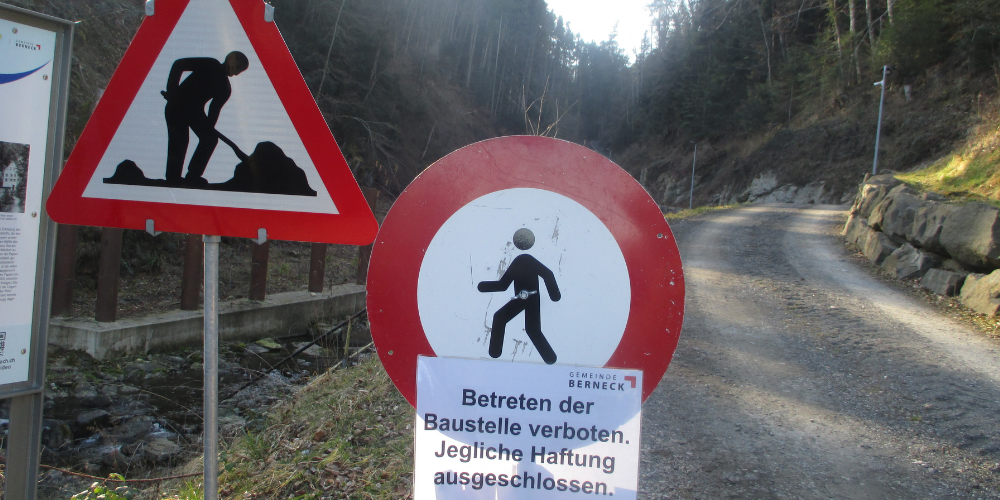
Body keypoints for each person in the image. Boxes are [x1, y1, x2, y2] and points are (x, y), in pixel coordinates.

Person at [161, 51, 249, 185]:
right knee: (180, 140)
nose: (236, 73)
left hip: (195, 112)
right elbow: (179, 65)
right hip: (177, 105)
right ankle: (173, 178)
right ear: (231, 60)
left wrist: (208, 128)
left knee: (210, 139)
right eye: (238, 67)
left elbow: (214, 111)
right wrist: (172, 91)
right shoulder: (211, 64)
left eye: (239, 71)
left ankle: (193, 175)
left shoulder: (225, 89)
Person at [477, 228, 561, 364]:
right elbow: (504, 285)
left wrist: (554, 295)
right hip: (524, 299)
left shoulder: (524, 260)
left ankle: (495, 353)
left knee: (520, 325)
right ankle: (550, 359)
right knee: (531, 329)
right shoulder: (521, 260)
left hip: (530, 299)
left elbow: (547, 274)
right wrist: (482, 287)